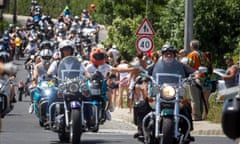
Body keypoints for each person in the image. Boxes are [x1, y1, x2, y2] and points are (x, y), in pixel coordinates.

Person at [150, 44, 195, 141]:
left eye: (170, 53)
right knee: (143, 104)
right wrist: (142, 73)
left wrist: (197, 74)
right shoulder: (156, 65)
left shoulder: (180, 66)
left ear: (174, 55)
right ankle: (142, 130)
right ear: (163, 54)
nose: (168, 55)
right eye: (166, 53)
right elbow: (146, 71)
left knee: (186, 106)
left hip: (175, 92)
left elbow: (192, 72)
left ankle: (187, 132)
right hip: (160, 92)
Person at [187, 39, 204, 121]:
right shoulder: (202, 54)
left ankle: (197, 116)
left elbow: (189, 66)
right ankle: (200, 114)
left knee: (194, 98)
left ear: (191, 47)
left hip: (194, 78)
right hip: (202, 77)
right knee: (200, 98)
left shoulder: (192, 55)